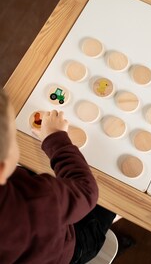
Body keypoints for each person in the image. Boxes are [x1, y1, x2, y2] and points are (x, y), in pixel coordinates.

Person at [0, 88, 116, 263]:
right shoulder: (33, 202)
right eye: (13, 137)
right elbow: (87, 190)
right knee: (111, 196)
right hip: (72, 244)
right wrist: (55, 138)